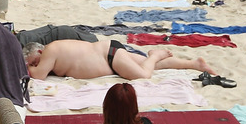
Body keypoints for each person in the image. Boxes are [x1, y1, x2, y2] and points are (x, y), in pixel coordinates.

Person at [22, 39, 214, 81]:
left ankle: (154, 54)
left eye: (34, 61)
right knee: (149, 65)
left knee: (143, 75)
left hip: (109, 55)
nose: (36, 65)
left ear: (39, 51)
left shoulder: (50, 50)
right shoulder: (52, 51)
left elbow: (37, 76)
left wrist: (23, 67)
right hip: (108, 52)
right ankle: (195, 64)